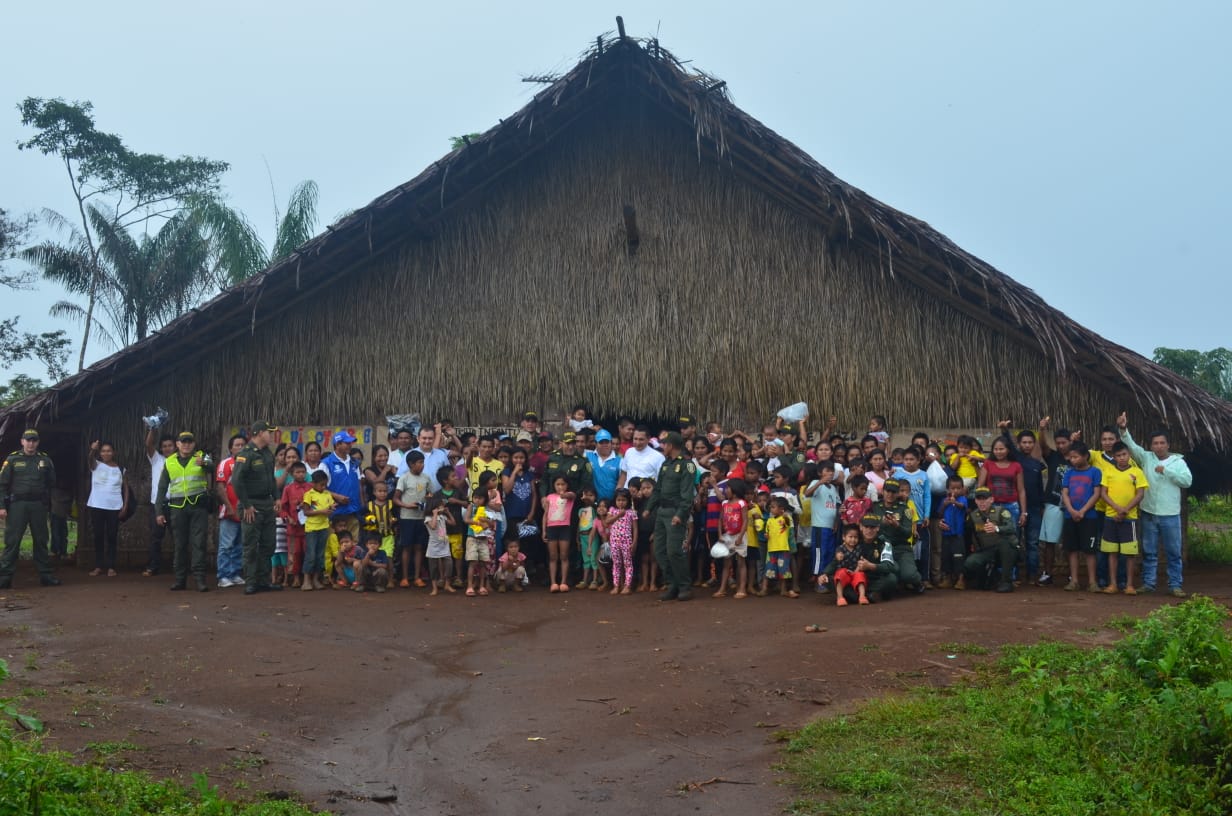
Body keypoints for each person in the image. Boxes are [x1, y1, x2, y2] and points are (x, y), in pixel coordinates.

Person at [1117, 413, 1191, 597]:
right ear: (1151, 446)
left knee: (1173, 552)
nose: (1158, 446)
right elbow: (1132, 446)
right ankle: (1149, 584)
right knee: (1149, 551)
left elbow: (1187, 481)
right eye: (1155, 443)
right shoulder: (1147, 458)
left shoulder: (1178, 462)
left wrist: (1166, 471)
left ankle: (1175, 585)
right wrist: (1123, 429)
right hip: (1149, 512)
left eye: (1162, 443)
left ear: (1168, 444)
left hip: (1170, 514)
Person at [0, 429, 61, 589]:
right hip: (17, 506)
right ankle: (5, 577)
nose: (31, 443)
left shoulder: (45, 460)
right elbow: (2, 485)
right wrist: (1, 507)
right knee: (12, 541)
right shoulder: (12, 459)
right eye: (28, 440)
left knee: (41, 540)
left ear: (38, 442)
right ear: (22, 441)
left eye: (34, 440)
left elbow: (51, 483)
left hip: (38, 506)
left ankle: (46, 575)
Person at [155, 431, 213, 592]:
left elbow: (212, 466)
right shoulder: (169, 462)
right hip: (177, 508)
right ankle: (180, 579)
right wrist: (159, 511)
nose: (186, 444)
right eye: (183, 442)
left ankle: (200, 580)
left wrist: (205, 464)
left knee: (198, 543)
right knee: (179, 545)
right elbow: (161, 488)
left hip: (198, 507)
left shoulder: (202, 456)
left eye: (189, 442)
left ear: (194, 444)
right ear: (178, 444)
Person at [231, 421, 282, 595]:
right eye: (269, 432)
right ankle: (251, 582)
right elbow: (237, 481)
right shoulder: (246, 454)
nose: (271, 435)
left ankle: (263, 580)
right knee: (251, 545)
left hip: (267, 504)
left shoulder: (268, 453)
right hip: (251, 504)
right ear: (259, 433)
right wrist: (246, 505)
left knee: (269, 544)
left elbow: (272, 479)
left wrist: (276, 497)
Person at [647, 432, 696, 601]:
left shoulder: (686, 465)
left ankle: (684, 586)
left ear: (671, 445)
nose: (663, 447)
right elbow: (658, 489)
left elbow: (687, 494)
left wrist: (681, 514)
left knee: (674, 551)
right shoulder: (666, 464)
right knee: (659, 550)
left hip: (675, 512)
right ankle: (671, 584)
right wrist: (649, 508)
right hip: (661, 512)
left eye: (665, 444)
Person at [1097, 441, 1147, 595]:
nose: (1122, 458)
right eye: (1118, 455)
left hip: (1129, 518)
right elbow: (1103, 493)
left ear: (1129, 455)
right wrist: (1117, 508)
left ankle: (1129, 585)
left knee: (1129, 554)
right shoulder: (1109, 471)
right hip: (1110, 517)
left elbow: (1140, 493)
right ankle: (1113, 584)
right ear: (1114, 457)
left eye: (1124, 454)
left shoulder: (1137, 472)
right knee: (1112, 552)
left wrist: (1126, 509)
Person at [1061, 442, 1102, 592]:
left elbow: (1096, 494)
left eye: (1076, 457)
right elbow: (1065, 493)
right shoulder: (1069, 473)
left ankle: (1092, 582)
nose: (1073, 460)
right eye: (1071, 457)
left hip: (1089, 517)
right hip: (1070, 516)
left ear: (1085, 456)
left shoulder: (1095, 472)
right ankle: (1075, 581)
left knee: (1090, 550)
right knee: (1072, 549)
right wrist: (1071, 510)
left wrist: (1083, 511)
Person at [962, 487, 1018, 592]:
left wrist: (996, 528)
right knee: (970, 563)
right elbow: (966, 533)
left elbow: (1011, 528)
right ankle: (989, 577)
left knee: (1004, 544)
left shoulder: (1001, 511)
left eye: (985, 499)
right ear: (975, 501)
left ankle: (1006, 582)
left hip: (1007, 551)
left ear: (991, 499)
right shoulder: (973, 516)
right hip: (987, 550)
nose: (982, 502)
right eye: (979, 499)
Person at [86, 439, 128, 577]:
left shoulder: (121, 469)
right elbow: (90, 459)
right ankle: (98, 566)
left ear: (113, 452)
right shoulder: (96, 465)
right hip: (97, 505)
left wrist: (125, 505)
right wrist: (92, 449)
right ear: (100, 453)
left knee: (112, 536)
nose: (106, 453)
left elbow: (125, 488)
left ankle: (111, 566)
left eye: (109, 450)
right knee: (98, 536)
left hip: (115, 506)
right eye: (103, 451)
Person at [215, 434, 248, 588]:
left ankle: (234, 573)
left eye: (243, 445)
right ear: (230, 448)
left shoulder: (249, 464)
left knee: (239, 545)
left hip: (245, 511)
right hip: (229, 511)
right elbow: (220, 487)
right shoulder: (225, 464)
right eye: (237, 445)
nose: (240, 448)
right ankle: (223, 576)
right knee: (226, 545)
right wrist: (228, 507)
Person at [394, 450, 430, 588]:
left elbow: (430, 493)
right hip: (407, 517)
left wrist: (429, 499)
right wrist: (407, 505)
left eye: (423, 462)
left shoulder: (426, 478)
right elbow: (396, 498)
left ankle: (417, 577)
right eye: (419, 463)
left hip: (421, 517)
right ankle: (404, 577)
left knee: (419, 547)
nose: (422, 465)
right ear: (411, 464)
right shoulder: (404, 478)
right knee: (406, 547)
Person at [143, 427, 176, 577]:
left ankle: (179, 567)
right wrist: (152, 428)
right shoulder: (156, 459)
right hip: (158, 505)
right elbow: (149, 444)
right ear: (161, 448)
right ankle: (153, 566)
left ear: (175, 446)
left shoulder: (180, 460)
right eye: (164, 446)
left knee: (178, 537)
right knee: (156, 537)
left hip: (176, 503)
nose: (167, 448)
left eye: (170, 445)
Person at [322, 431, 362, 543]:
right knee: (335, 544)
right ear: (337, 444)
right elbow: (319, 489)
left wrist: (361, 506)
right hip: (335, 513)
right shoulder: (326, 463)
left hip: (353, 511)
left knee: (353, 544)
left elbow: (359, 485)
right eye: (347, 443)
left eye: (351, 443)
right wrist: (337, 496)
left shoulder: (355, 463)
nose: (350, 445)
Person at [299, 469, 335, 591]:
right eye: (321, 485)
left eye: (325, 484)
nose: (323, 487)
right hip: (312, 528)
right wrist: (322, 511)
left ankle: (316, 579)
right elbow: (306, 512)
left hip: (324, 527)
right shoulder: (308, 495)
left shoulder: (327, 494)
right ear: (313, 483)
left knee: (320, 555)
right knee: (311, 554)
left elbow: (331, 505)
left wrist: (331, 508)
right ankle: (306, 580)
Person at [278, 461, 312, 588]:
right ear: (292, 474)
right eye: (298, 472)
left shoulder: (310, 487)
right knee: (295, 553)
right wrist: (288, 518)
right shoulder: (288, 488)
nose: (301, 474)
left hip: (308, 526)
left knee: (307, 551)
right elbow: (283, 507)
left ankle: (306, 577)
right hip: (293, 527)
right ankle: (296, 577)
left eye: (303, 472)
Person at [818, 525, 869, 606]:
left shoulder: (860, 548)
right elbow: (834, 562)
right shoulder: (840, 549)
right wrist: (837, 557)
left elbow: (861, 562)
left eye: (855, 537)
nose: (853, 539)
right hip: (845, 573)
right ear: (844, 537)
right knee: (840, 573)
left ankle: (862, 597)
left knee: (860, 575)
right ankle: (840, 597)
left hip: (855, 571)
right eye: (850, 537)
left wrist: (855, 571)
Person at [717, 478, 750, 599]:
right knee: (726, 563)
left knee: (741, 562)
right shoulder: (724, 503)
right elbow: (720, 519)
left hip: (739, 535)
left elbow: (745, 520)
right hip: (727, 535)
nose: (726, 490)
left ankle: (742, 588)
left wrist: (741, 536)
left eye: (728, 488)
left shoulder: (742, 503)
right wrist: (720, 534)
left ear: (734, 491)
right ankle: (722, 588)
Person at [759, 496, 797, 598]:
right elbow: (767, 533)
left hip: (783, 549)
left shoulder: (786, 518)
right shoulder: (769, 521)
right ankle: (764, 589)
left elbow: (789, 525)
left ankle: (783, 590)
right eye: (771, 507)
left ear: (781, 509)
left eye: (773, 507)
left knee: (783, 570)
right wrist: (766, 536)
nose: (771, 509)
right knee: (768, 569)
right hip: (771, 549)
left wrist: (785, 515)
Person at [541, 476, 574, 592]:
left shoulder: (570, 495)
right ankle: (553, 582)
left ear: (567, 485)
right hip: (551, 528)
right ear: (553, 485)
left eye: (563, 484)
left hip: (565, 528)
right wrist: (544, 531)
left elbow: (571, 496)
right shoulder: (549, 497)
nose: (560, 487)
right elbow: (545, 514)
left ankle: (563, 582)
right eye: (558, 484)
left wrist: (564, 494)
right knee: (553, 556)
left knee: (564, 556)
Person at [605, 488, 638, 595]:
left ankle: (627, 586)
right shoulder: (612, 510)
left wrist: (634, 542)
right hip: (614, 541)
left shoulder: (631, 512)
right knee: (616, 563)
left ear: (628, 500)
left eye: (623, 500)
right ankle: (616, 585)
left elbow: (635, 529)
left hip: (627, 541)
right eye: (618, 500)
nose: (621, 502)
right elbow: (607, 522)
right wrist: (618, 515)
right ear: (615, 500)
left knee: (628, 563)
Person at [938, 476, 969, 589]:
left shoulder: (962, 499)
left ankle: (961, 579)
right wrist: (945, 505)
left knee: (959, 556)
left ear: (962, 489)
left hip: (958, 534)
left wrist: (955, 502)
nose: (955, 491)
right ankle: (947, 578)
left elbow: (963, 508)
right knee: (946, 556)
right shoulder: (944, 500)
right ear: (947, 489)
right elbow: (940, 513)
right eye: (952, 488)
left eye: (958, 488)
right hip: (946, 533)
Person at [464, 485, 495, 596]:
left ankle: (482, 586)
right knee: (472, 562)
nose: (477, 500)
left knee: (483, 563)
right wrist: (478, 523)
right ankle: (470, 586)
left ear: (484, 499)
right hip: (472, 538)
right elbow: (466, 519)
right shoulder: (471, 507)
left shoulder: (487, 510)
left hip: (483, 539)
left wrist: (485, 520)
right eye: (475, 497)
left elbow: (492, 523)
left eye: (480, 498)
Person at [424, 496, 454, 595]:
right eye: (440, 505)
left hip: (444, 543)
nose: (442, 506)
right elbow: (432, 526)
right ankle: (434, 588)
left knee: (449, 563)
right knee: (433, 567)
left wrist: (448, 513)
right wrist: (435, 514)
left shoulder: (443, 517)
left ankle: (447, 584)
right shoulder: (428, 518)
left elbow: (453, 523)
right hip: (433, 545)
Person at [586, 429, 621, 503]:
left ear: (611, 443)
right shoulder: (587, 456)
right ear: (595, 443)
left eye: (607, 442)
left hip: (611, 504)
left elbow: (621, 482)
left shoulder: (620, 461)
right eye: (601, 442)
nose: (604, 445)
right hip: (591, 503)